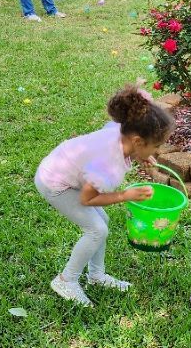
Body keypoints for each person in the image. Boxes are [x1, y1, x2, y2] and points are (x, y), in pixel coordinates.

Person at [35, 86, 174, 306]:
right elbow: (87, 199)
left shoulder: (121, 131)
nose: (156, 151)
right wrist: (125, 195)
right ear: (138, 141)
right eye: (155, 146)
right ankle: (66, 280)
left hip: (62, 168)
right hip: (54, 182)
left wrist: (140, 155)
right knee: (96, 229)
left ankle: (96, 276)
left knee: (103, 222)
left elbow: (119, 148)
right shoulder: (109, 166)